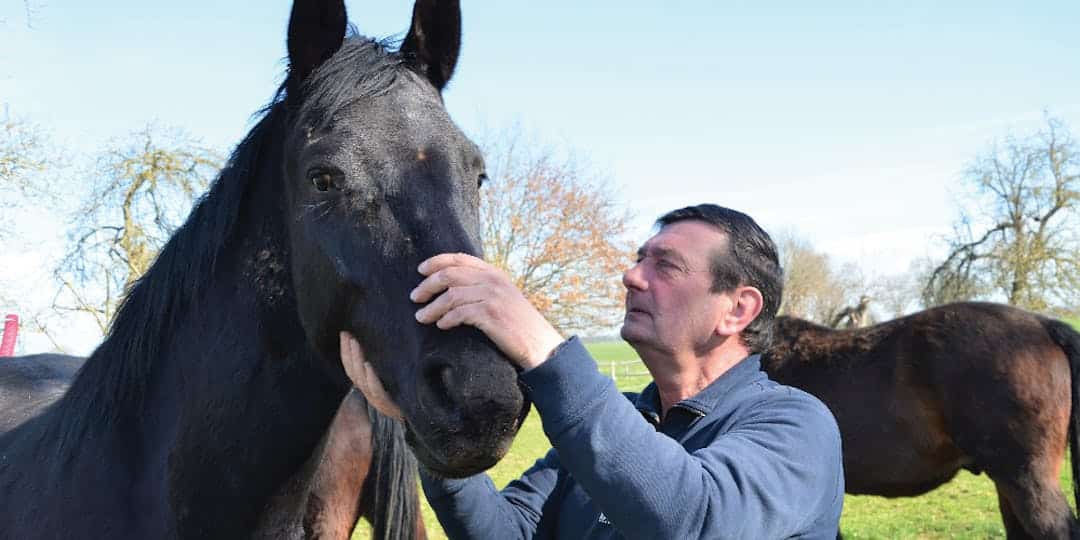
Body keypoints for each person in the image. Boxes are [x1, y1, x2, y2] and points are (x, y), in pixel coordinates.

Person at [341, 204, 844, 539]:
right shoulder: (623, 419)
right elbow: (507, 533)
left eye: (665, 266)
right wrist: (426, 425)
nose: (631, 276)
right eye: (638, 259)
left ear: (737, 309)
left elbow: (697, 519)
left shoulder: (795, 424)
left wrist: (543, 347)